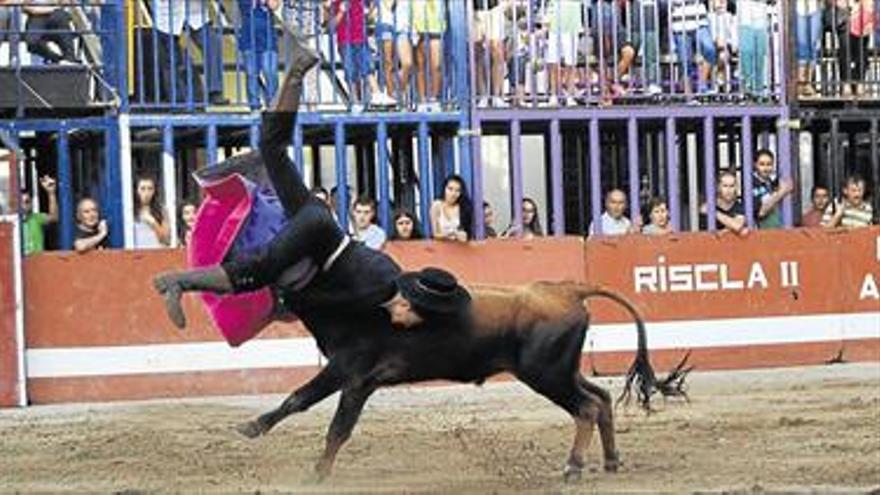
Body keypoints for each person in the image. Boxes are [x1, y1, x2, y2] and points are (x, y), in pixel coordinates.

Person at [154, 36, 470, 334]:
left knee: (271, 146)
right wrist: (280, 307)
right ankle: (179, 282)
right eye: (411, 318)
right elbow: (323, 302)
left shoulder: (390, 273)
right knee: (259, 270)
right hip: (317, 234)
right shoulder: (380, 289)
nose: (404, 323)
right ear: (407, 302)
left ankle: (296, 70)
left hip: (317, 218)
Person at [237, 0, 279, 109]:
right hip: (248, 34)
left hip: (267, 35)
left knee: (270, 71)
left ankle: (273, 105)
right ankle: (254, 105)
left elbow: (274, 6)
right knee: (251, 72)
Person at [24, 0, 78, 64]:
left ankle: (70, 58)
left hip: (55, 12)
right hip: (36, 15)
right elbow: (24, 6)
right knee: (32, 42)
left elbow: (66, 3)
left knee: (62, 21)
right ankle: (58, 59)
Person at [752, 149, 793, 229]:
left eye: (769, 164)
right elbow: (761, 212)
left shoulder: (772, 180)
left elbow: (789, 185)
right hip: (762, 233)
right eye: (762, 164)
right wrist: (782, 192)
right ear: (755, 165)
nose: (766, 168)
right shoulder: (752, 183)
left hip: (779, 229)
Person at [699, 171, 748, 235]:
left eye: (732, 186)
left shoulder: (739, 206)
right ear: (718, 187)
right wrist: (730, 228)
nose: (728, 190)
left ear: (736, 188)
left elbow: (737, 226)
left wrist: (713, 212)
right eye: (725, 186)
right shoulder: (710, 204)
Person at [20, 175, 58, 255]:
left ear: (31, 204)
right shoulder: (13, 224)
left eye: (27, 202)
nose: (23, 206)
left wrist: (51, 193)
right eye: (21, 202)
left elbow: (54, 217)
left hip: (37, 263)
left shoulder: (36, 218)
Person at [430, 174, 473, 242]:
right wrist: (451, 234)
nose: (453, 193)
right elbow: (435, 234)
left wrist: (463, 235)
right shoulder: (437, 205)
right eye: (450, 189)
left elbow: (468, 233)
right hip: (441, 248)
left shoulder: (463, 207)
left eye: (457, 190)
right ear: (444, 189)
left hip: (458, 248)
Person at [133, 176, 171, 248]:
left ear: (154, 191)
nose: (146, 193)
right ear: (136, 190)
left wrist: (152, 222)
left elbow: (166, 240)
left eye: (150, 189)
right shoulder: (130, 210)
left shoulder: (161, 210)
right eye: (142, 189)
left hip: (155, 253)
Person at [795, 0, 822, 97]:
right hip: (799, 8)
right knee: (802, 44)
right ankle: (800, 82)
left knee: (813, 45)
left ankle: (808, 82)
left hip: (814, 7)